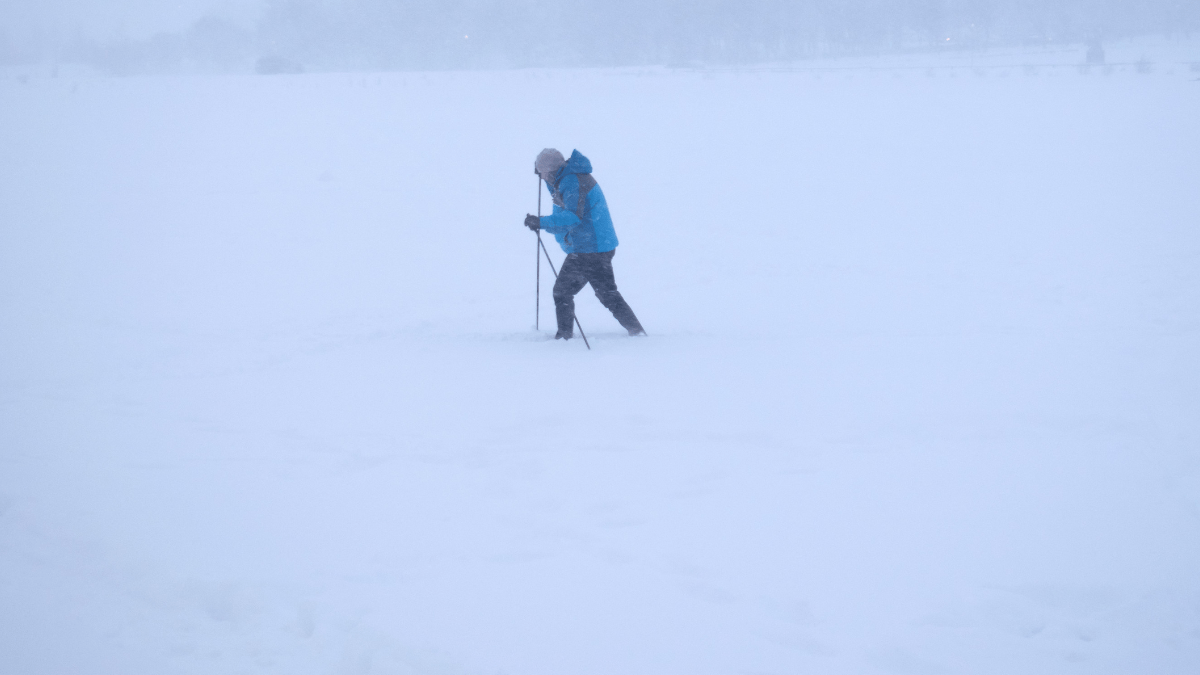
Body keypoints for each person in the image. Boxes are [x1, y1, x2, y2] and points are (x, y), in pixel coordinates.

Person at [524, 148, 645, 340]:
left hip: (591, 248)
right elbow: (561, 219)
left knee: (566, 292)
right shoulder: (562, 181)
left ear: (551, 170)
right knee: (604, 293)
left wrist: (542, 222)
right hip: (592, 246)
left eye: (543, 172)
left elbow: (572, 218)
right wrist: (543, 224)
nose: (541, 177)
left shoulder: (571, 181)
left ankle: (565, 338)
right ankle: (636, 331)